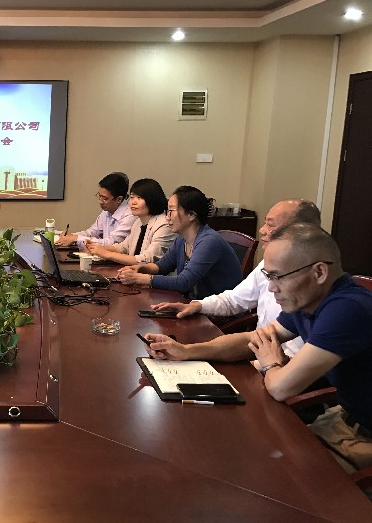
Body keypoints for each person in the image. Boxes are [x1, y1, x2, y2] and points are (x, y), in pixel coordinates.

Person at [144, 223, 372, 475]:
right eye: (268, 277)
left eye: (277, 277)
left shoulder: (346, 309)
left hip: (363, 437)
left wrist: (271, 363)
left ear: (319, 272)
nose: (271, 288)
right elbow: (252, 339)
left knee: (261, 471)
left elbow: (281, 387)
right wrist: (187, 351)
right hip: (345, 419)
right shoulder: (310, 299)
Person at [150, 199, 321, 358]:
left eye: (270, 225)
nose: (262, 230)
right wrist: (196, 308)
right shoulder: (269, 263)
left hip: (276, 367)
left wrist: (267, 365)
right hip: (261, 356)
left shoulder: (314, 297)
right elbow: (237, 303)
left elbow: (291, 366)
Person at [116, 185, 242, 299]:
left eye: (171, 211)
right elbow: (162, 267)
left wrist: (139, 278)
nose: (167, 217)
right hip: (194, 304)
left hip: (215, 312)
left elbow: (183, 282)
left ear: (191, 215)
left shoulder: (209, 241)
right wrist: (140, 268)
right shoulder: (182, 239)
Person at [84, 178, 175, 265]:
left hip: (154, 275)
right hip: (134, 273)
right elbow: (123, 247)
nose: (133, 202)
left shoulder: (164, 224)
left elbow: (148, 259)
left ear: (152, 199)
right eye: (132, 197)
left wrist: (106, 253)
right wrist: (97, 248)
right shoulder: (138, 222)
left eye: (139, 197)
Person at [54, 172, 134, 248]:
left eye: (105, 199)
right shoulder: (107, 211)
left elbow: (111, 243)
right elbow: (92, 232)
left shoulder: (130, 215)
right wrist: (71, 236)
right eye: (99, 196)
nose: (100, 202)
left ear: (119, 199)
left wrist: (77, 238)